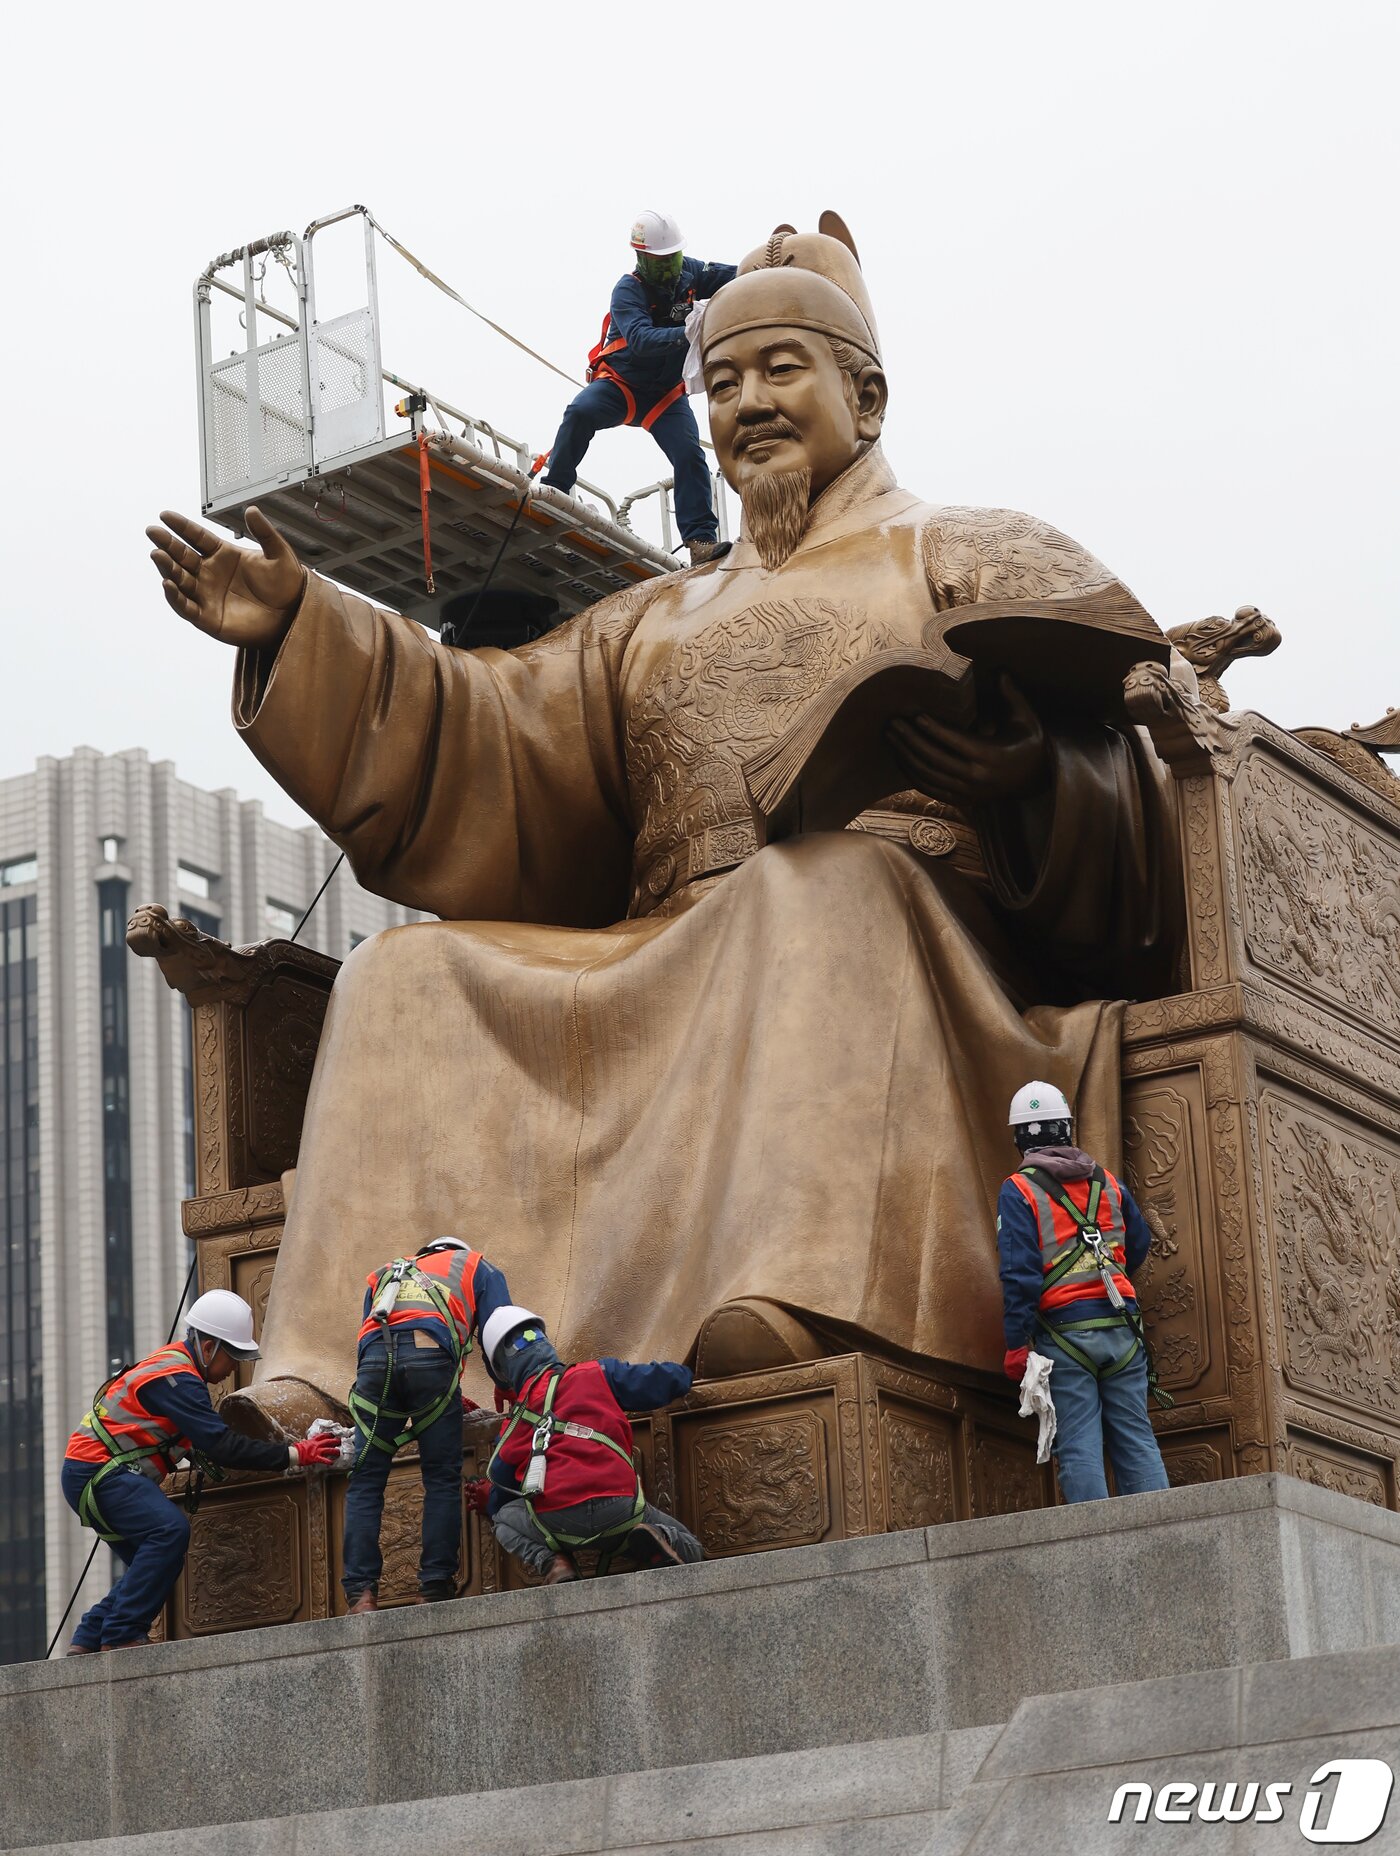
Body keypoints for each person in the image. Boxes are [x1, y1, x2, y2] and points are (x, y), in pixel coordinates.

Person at [145, 214, 1181, 1438]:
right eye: (720, 380)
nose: (745, 403)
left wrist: (1034, 777)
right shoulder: (655, 615)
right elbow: (491, 728)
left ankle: (796, 1297)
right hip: (670, 940)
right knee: (402, 974)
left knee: (817, 885)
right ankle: (338, 1369)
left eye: (780, 369)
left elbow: (1155, 758)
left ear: (868, 392)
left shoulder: (968, 550)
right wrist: (303, 628)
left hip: (922, 946)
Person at [61, 1290, 338, 1651]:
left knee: (155, 1564)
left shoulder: (172, 1370)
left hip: (92, 1472)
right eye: (233, 1355)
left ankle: (89, 1636)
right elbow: (221, 1445)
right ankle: (122, 1634)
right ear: (208, 1347)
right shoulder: (177, 1377)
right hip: (101, 1471)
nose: (236, 1367)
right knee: (168, 1531)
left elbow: (192, 1441)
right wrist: (296, 1453)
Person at [996, 1081, 1171, 1503]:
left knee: (1078, 1446)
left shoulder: (1018, 1190)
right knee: (1136, 1440)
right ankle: (1165, 1534)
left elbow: (1019, 1273)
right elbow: (1140, 1242)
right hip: (1123, 1331)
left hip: (1065, 1335)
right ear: (1067, 1127)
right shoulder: (1107, 1182)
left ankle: (1098, 1554)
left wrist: (1017, 1344)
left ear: (1019, 1136)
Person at [541, 209, 734, 566]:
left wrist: (781, 264)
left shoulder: (690, 272)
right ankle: (555, 491)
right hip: (622, 385)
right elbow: (642, 340)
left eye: (672, 260)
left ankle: (701, 541)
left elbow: (739, 277)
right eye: (659, 263)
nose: (669, 270)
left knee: (690, 455)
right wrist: (687, 333)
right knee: (579, 412)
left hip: (665, 396)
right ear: (641, 259)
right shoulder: (628, 291)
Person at [342, 1237, 513, 1613]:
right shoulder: (474, 1266)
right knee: (440, 1477)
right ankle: (434, 1587)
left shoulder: (385, 1273)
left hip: (373, 1366)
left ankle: (361, 1596)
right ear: (456, 1250)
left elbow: (370, 1336)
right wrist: (506, 1385)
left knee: (367, 1481)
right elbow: (502, 1332)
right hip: (431, 1361)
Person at [481, 1305, 702, 1584]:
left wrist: (489, 1502)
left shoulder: (514, 1422)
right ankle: (656, 1539)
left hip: (557, 1522)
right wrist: (684, 1375)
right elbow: (661, 1382)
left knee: (503, 1519)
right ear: (545, 1342)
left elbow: (498, 1493)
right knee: (691, 1548)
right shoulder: (597, 1373)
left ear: (502, 1369)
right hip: (621, 1509)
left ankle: (555, 1563)